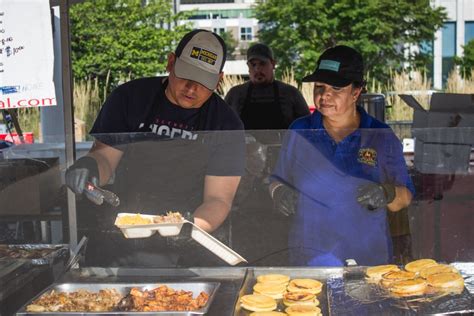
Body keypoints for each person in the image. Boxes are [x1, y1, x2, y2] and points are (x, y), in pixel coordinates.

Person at [65, 29, 245, 267]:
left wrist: (188, 228)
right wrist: (90, 167)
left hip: (188, 239)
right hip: (124, 232)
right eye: (187, 76)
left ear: (219, 80)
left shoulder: (225, 123)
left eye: (204, 83)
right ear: (171, 63)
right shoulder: (130, 98)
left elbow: (218, 199)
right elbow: (106, 157)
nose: (192, 88)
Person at [269, 45, 415, 266]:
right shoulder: (300, 131)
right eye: (319, 86)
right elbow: (276, 180)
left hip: (367, 257)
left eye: (336, 88)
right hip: (309, 255)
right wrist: (279, 193)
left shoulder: (379, 136)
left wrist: (385, 193)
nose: (325, 94)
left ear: (356, 92)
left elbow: (405, 198)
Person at [225, 43, 310, 130]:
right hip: (244, 144)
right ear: (248, 66)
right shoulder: (235, 94)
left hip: (283, 144)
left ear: (273, 64)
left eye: (262, 64)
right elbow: (222, 127)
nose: (257, 69)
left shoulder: (291, 93)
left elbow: (308, 129)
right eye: (253, 64)